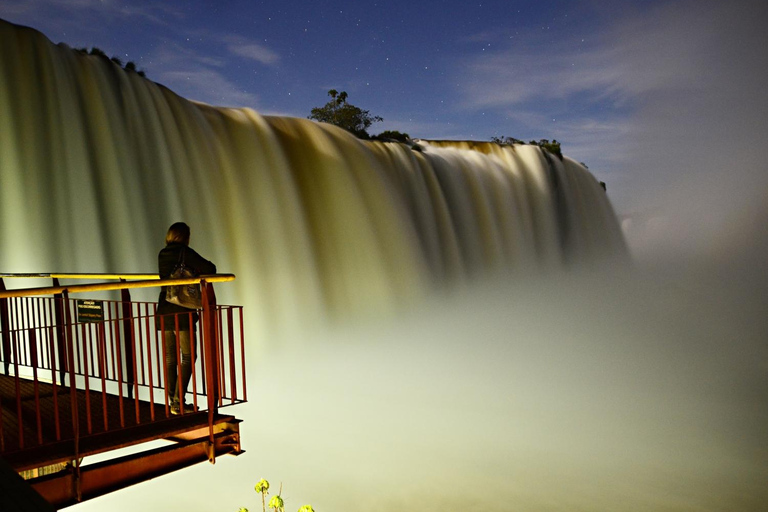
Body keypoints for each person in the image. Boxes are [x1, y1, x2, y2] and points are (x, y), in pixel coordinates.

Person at [155, 222, 216, 415]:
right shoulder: (185, 252)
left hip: (164, 309)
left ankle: (173, 402)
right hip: (182, 311)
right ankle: (177, 402)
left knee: (170, 359)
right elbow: (210, 268)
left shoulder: (162, 254)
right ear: (185, 237)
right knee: (189, 357)